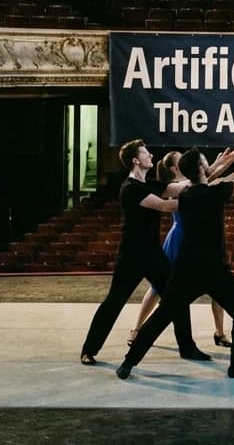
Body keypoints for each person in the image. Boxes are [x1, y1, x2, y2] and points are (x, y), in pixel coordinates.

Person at [117, 137, 234, 380]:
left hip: (185, 269)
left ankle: (128, 363)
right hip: (213, 269)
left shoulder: (187, 194)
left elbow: (230, 179)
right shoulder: (214, 193)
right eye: (205, 162)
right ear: (201, 169)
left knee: (162, 316)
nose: (209, 163)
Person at [80, 138, 208, 366]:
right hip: (131, 255)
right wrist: (205, 198)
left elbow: (183, 188)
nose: (150, 155)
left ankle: (187, 347)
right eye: (145, 152)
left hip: (152, 254)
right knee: (115, 301)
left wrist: (212, 175)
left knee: (176, 295)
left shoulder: (149, 184)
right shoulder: (130, 189)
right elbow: (166, 205)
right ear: (135, 161)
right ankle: (89, 349)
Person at [126, 151, 231, 349]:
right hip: (180, 238)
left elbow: (208, 176)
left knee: (217, 284)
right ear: (174, 168)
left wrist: (229, 159)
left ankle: (220, 331)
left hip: (199, 236)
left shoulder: (190, 179)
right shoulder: (176, 186)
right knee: (160, 288)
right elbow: (210, 178)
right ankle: (137, 328)